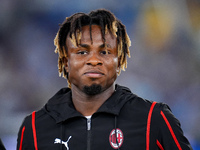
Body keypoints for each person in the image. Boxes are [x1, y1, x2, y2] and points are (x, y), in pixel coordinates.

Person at [17, 9, 192, 150]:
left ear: (120, 61)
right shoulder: (34, 127)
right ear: (65, 62)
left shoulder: (154, 119)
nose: (94, 60)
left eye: (105, 52)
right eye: (82, 52)